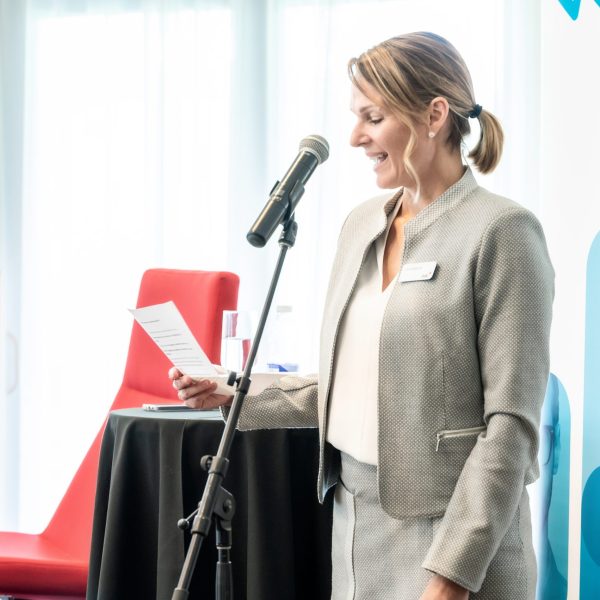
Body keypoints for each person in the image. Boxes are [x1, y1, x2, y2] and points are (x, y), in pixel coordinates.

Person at [169, 32, 554, 600]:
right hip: (354, 525)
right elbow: (352, 385)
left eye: (373, 118)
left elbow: (511, 426)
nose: (355, 137)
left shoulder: (502, 232)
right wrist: (235, 394)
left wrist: (453, 572)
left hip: (455, 536)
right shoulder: (361, 224)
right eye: (356, 118)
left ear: (434, 115)